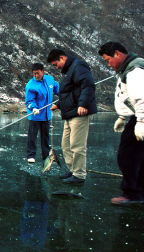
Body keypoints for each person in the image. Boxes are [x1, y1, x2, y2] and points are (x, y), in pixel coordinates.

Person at [98, 42, 144, 204]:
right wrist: (123, 117)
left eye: (108, 60)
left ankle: (132, 193)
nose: (108, 64)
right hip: (135, 117)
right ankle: (138, 191)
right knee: (138, 155)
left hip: (141, 117)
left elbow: (140, 97)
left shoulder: (135, 70)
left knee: (127, 155)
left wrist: (141, 121)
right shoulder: (126, 69)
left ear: (117, 54)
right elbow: (126, 96)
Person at [47, 49, 97, 184]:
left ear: (62, 58)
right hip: (69, 113)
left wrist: (83, 104)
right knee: (66, 145)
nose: (56, 67)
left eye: (55, 64)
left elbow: (88, 86)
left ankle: (79, 174)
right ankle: (73, 170)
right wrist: (58, 104)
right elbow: (69, 93)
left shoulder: (78, 66)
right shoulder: (68, 71)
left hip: (79, 112)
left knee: (77, 145)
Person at [25, 63, 59, 163]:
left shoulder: (50, 80)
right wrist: (34, 108)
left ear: (43, 71)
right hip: (35, 116)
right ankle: (31, 155)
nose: (36, 75)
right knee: (32, 136)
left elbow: (57, 89)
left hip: (46, 115)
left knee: (45, 137)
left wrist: (64, 94)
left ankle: (46, 155)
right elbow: (29, 101)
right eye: (34, 74)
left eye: (38, 73)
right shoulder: (31, 85)